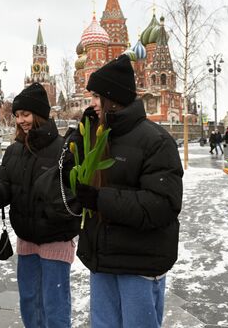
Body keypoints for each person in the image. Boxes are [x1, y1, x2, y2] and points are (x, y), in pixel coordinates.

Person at [73, 55, 183, 328]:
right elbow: (66, 181)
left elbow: (162, 205)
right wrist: (77, 137)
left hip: (139, 264)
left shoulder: (155, 140)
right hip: (103, 261)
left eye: (97, 96)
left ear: (114, 97)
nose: (92, 103)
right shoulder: (99, 136)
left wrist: (100, 199)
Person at [0, 82, 80, 328]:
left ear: (39, 115)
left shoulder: (62, 150)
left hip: (55, 240)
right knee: (29, 301)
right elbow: (3, 191)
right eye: (17, 115)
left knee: (54, 304)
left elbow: (74, 197)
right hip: (26, 240)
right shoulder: (14, 151)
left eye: (25, 114)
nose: (20, 121)